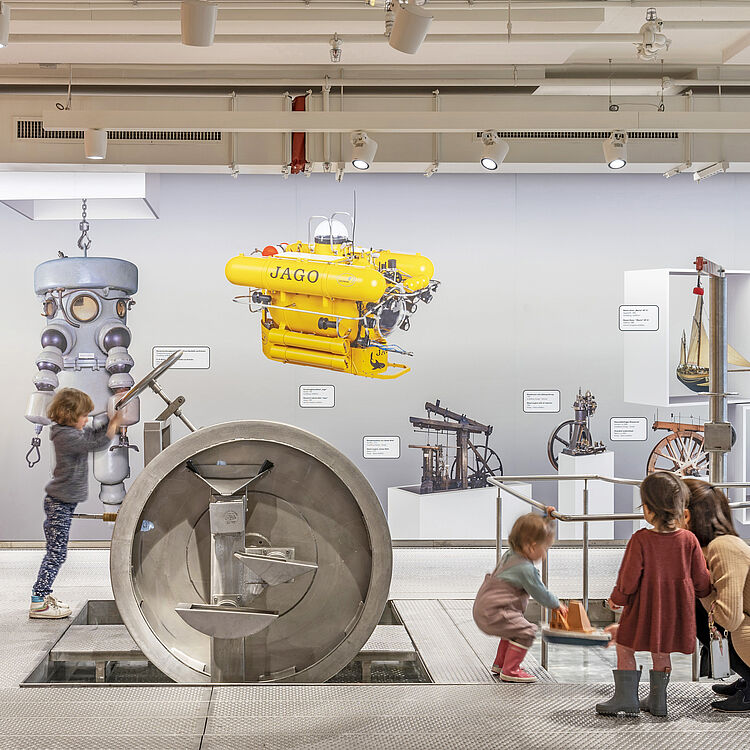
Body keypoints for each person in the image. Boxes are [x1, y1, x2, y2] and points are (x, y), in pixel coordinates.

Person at [596, 471, 711, 717]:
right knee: (662, 651)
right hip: (676, 610)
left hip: (643, 607)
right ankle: (659, 701)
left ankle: (626, 699)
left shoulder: (640, 540)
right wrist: (705, 593)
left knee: (625, 646)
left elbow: (628, 579)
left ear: (648, 510)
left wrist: (616, 600)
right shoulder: (689, 540)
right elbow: (701, 579)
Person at [29, 388, 123, 619]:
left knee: (56, 552)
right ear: (69, 414)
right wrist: (112, 427)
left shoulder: (69, 431)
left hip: (63, 502)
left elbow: (91, 434)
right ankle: (38, 601)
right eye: (83, 416)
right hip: (59, 503)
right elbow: (93, 444)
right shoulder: (66, 436)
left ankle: (43, 595)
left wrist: (110, 420)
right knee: (56, 554)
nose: (86, 420)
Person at [473, 510, 568, 683]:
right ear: (531, 547)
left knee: (513, 629)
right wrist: (557, 605)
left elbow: (533, 529)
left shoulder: (510, 554)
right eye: (545, 548)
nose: (545, 554)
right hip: (495, 612)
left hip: (484, 609)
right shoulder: (526, 569)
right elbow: (541, 593)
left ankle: (500, 664)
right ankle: (511, 670)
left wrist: (547, 518)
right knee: (527, 631)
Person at [684, 477, 750, 713]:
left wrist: (700, 586)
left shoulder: (722, 546)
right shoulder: (711, 546)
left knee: (733, 625)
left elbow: (730, 617)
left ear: (687, 515)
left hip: (743, 626)